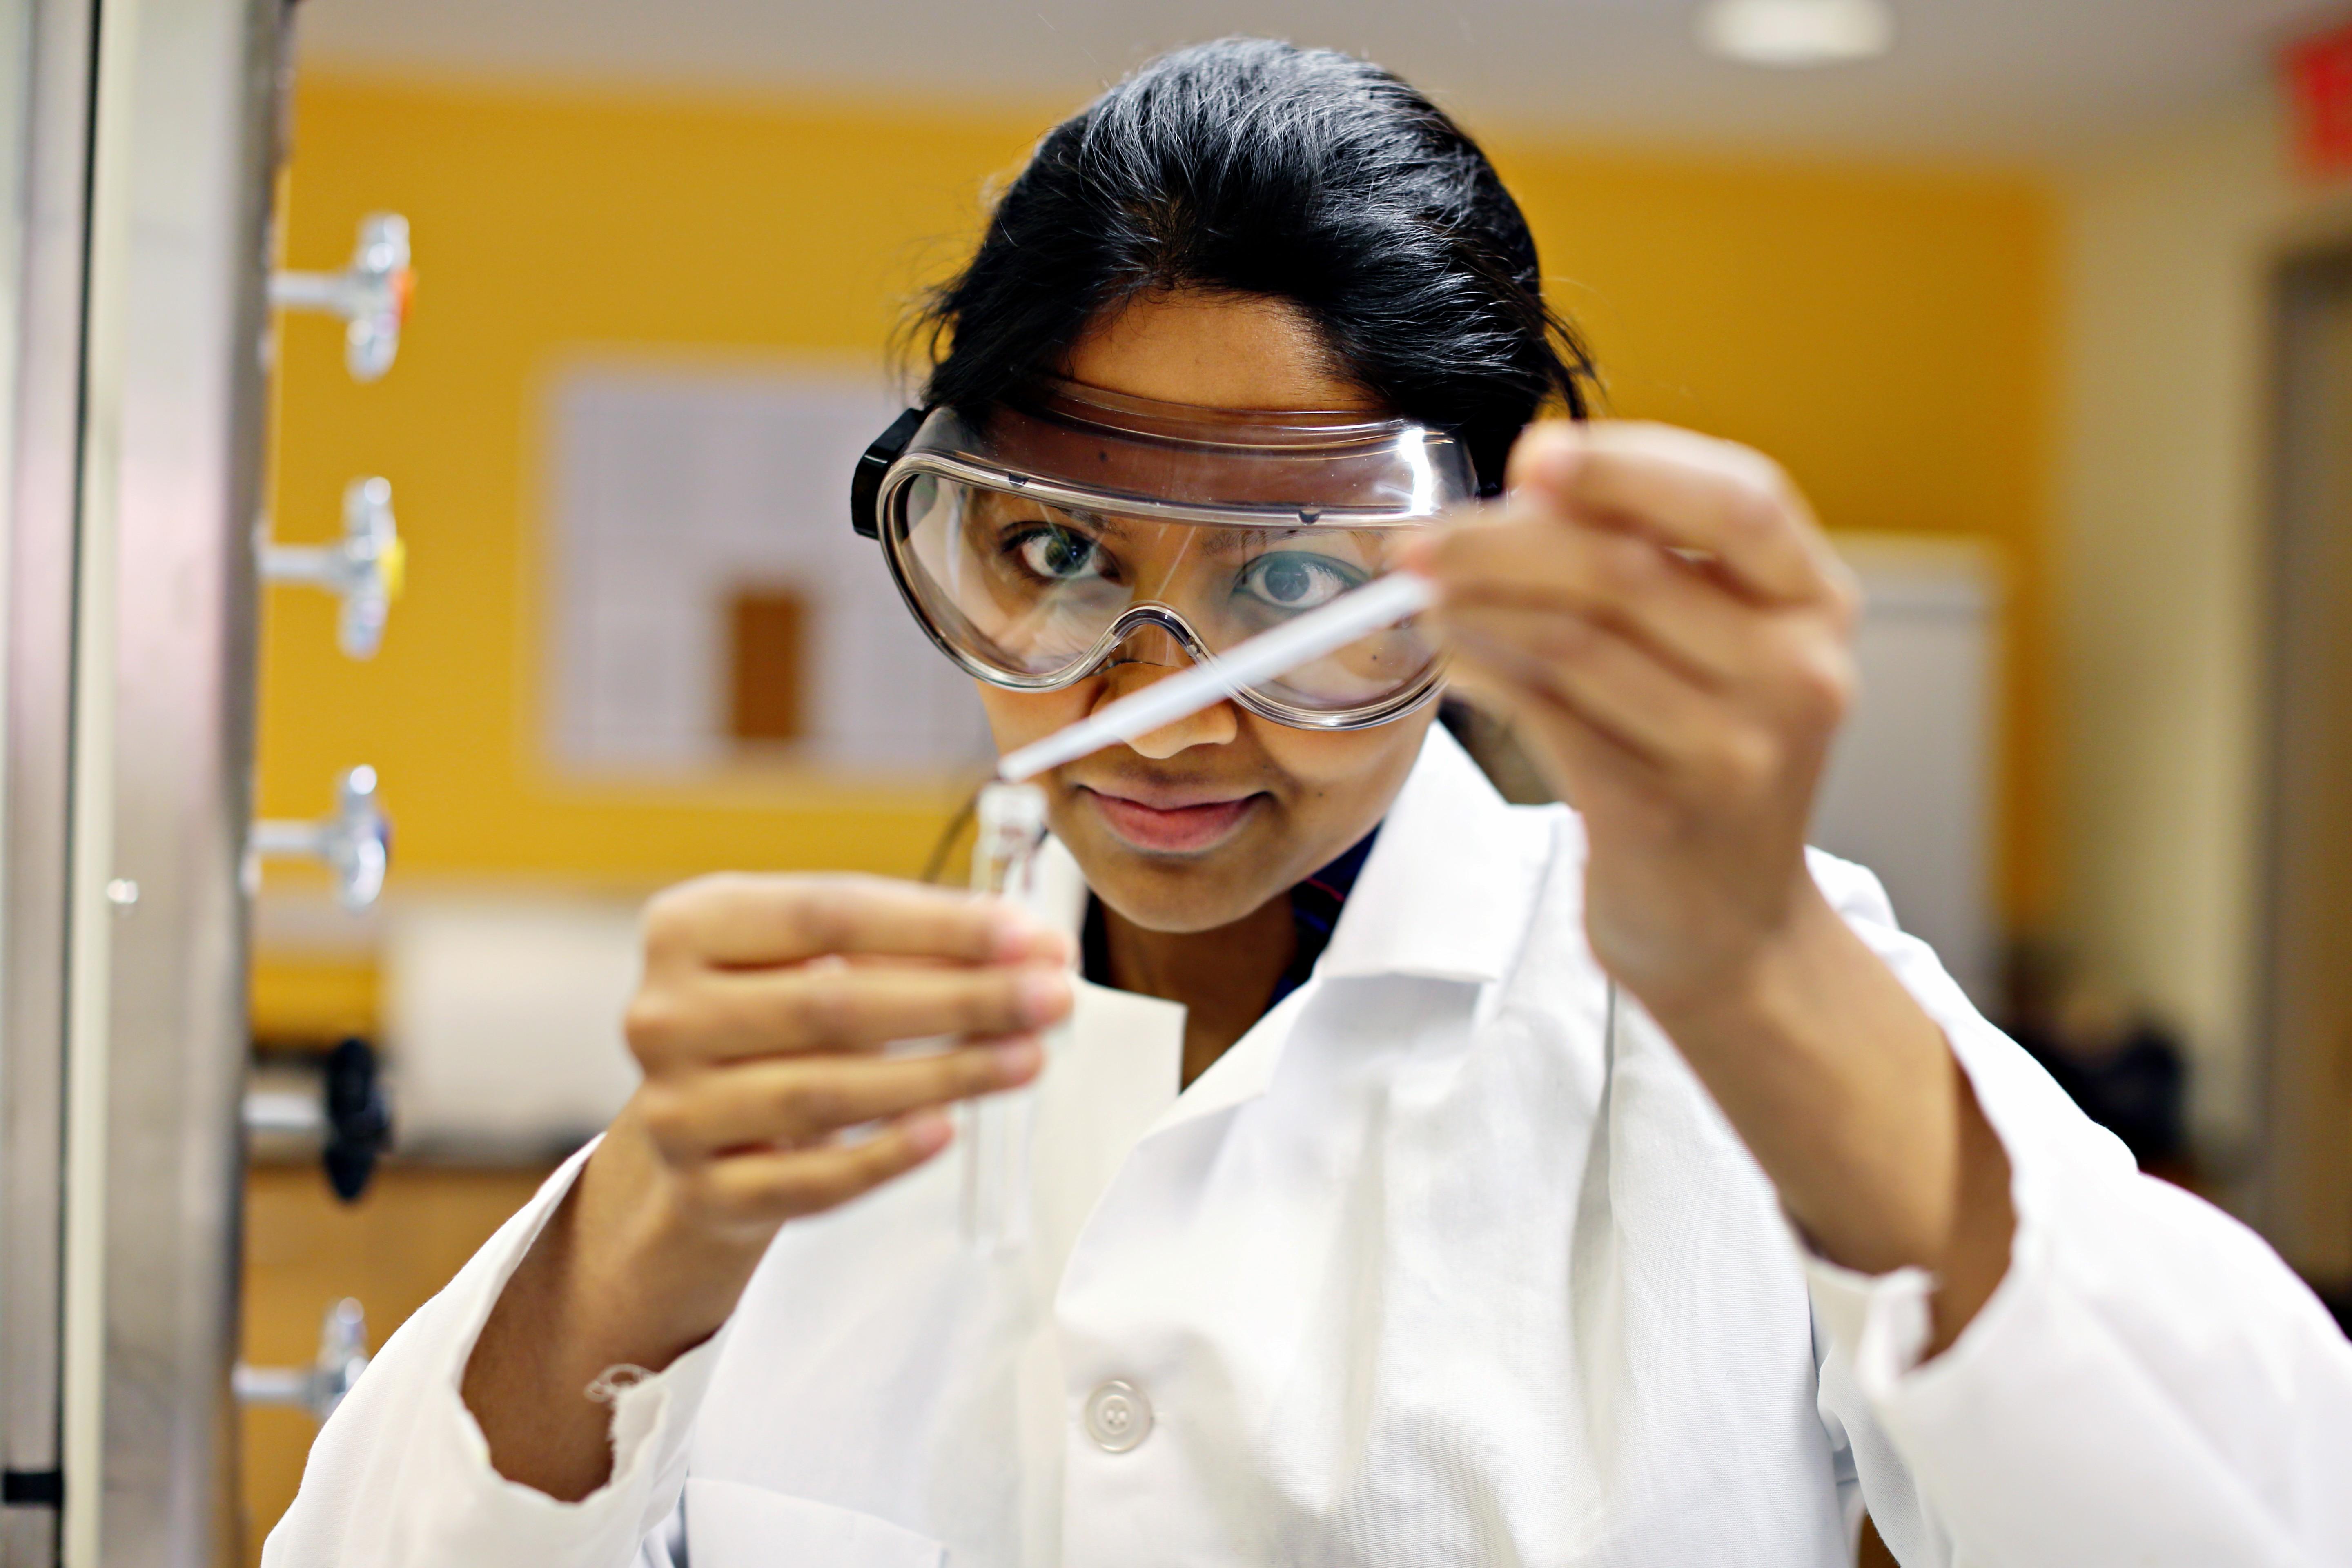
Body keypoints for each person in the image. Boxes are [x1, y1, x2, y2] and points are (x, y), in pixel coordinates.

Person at [267, 39, 2352, 1568]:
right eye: (1065, 559)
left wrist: (1765, 986)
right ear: (958, 535)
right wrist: (647, 1224)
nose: (1161, 717)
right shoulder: (809, 1062)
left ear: (1475, 578)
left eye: (1292, 583)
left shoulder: (1720, 1007)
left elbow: (2259, 1524)